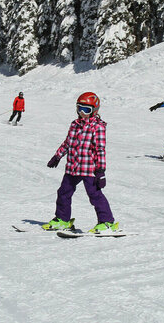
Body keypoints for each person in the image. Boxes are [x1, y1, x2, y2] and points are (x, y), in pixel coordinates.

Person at [44, 92, 118, 233]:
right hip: (72, 168)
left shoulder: (98, 127)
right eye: (80, 108)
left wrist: (101, 171)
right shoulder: (75, 124)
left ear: (95, 111)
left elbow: (100, 150)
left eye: (87, 110)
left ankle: (107, 222)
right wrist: (57, 156)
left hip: (89, 169)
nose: (82, 112)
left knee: (95, 196)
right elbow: (68, 143)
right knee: (63, 193)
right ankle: (63, 220)